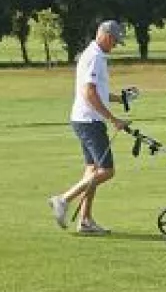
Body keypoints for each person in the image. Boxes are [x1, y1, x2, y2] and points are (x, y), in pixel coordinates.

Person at [49, 20, 128, 236]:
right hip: (89, 121)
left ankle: (85, 220)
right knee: (107, 170)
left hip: (84, 119)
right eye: (113, 40)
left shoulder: (94, 55)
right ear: (103, 35)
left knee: (92, 170)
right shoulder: (95, 57)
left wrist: (119, 98)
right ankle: (63, 200)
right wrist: (114, 120)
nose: (114, 45)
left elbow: (97, 92)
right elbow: (89, 93)